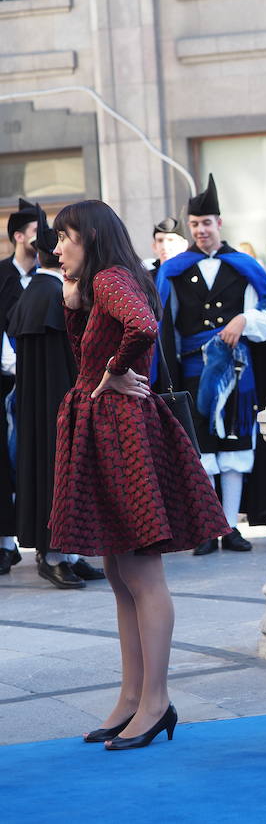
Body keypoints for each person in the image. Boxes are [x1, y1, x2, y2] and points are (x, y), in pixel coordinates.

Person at [49, 199, 227, 750]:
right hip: (106, 428)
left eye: (64, 237)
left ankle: (154, 701)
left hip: (121, 429)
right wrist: (76, 307)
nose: (56, 249)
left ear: (91, 238)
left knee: (141, 577)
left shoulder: (110, 277)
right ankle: (132, 698)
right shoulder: (98, 282)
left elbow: (143, 326)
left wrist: (115, 370)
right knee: (122, 576)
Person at [155, 174, 266, 554]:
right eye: (194, 224)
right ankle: (207, 528)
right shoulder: (174, 270)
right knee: (202, 450)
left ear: (220, 224)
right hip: (194, 371)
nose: (200, 230)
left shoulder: (243, 266)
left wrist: (243, 320)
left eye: (206, 223)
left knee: (233, 446)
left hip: (237, 371)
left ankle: (230, 526)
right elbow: (169, 330)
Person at [7, 207, 105, 588]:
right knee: (56, 472)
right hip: (56, 403)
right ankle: (55, 556)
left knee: (53, 471)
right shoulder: (53, 294)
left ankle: (70, 554)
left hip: (42, 404)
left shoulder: (38, 290)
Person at [0, 198, 39, 575]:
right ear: (18, 236)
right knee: (6, 463)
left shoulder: (52, 276)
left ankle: (53, 547)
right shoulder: (1, 277)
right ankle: (4, 542)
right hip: (5, 385)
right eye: (35, 232)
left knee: (41, 460)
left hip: (43, 384)